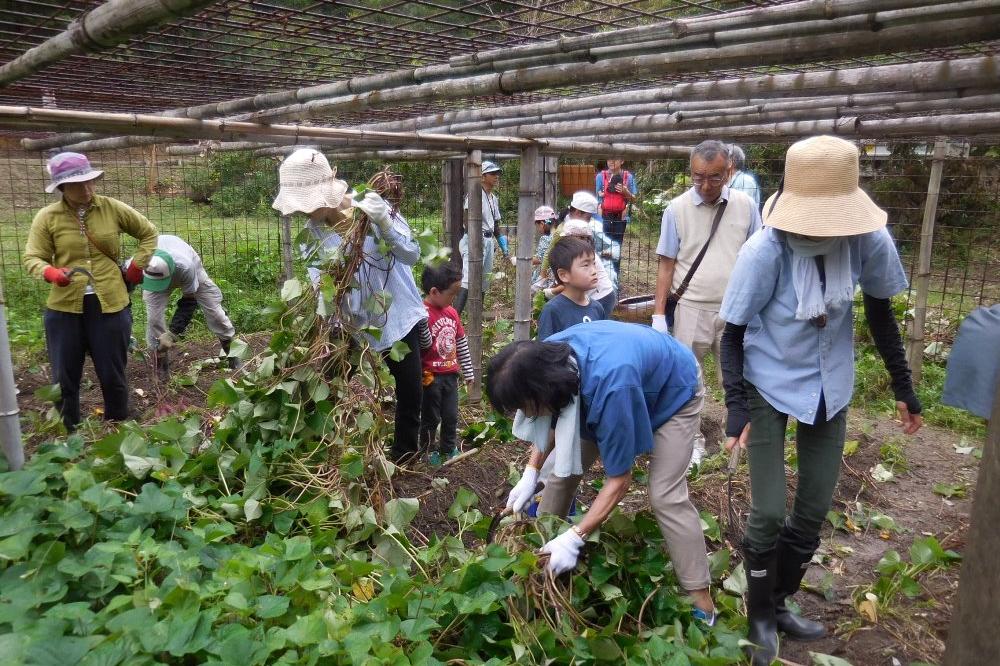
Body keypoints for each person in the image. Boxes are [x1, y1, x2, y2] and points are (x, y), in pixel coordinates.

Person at [718, 135, 923, 666]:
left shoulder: (869, 241)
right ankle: (759, 615)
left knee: (812, 508)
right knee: (766, 511)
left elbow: (880, 313)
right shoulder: (765, 251)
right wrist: (735, 406)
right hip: (767, 382)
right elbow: (733, 333)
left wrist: (904, 386)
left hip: (831, 385)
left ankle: (780, 602)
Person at [487, 321, 716, 624]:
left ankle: (701, 598)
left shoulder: (610, 387)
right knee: (561, 473)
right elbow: (549, 417)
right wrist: (532, 470)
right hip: (622, 379)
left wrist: (576, 536)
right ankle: (539, 555)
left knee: (665, 494)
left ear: (543, 392)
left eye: (526, 408)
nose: (527, 416)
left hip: (674, 391)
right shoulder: (548, 358)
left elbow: (620, 481)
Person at [271, 149, 427, 464]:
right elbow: (320, 284)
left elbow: (412, 254)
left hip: (395, 311)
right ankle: (319, 446)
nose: (302, 212)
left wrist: (384, 222)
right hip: (350, 319)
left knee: (410, 386)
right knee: (328, 381)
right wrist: (327, 322)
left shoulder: (372, 207)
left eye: (305, 203)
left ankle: (405, 456)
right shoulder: (310, 235)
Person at [23, 152, 158, 431]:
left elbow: (148, 233)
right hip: (64, 309)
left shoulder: (112, 208)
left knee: (112, 370)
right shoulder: (47, 217)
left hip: (110, 304)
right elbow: (32, 257)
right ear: (61, 187)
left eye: (89, 182)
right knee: (64, 374)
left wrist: (137, 265)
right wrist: (50, 272)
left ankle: (118, 422)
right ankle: (68, 429)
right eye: (77, 184)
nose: (86, 189)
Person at [652, 140, 762, 468]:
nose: (705, 185)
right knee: (686, 382)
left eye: (713, 177)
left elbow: (758, 257)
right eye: (697, 177)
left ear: (728, 171)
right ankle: (691, 449)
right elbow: (666, 264)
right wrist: (659, 314)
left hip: (735, 310)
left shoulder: (746, 206)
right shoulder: (676, 209)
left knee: (739, 381)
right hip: (690, 308)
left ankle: (738, 454)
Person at [130, 234, 238, 379]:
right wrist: (123, 331)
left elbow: (189, 301)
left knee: (215, 314)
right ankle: (161, 368)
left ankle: (232, 355)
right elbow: (122, 290)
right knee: (154, 321)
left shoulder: (186, 266)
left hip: (189, 271)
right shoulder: (137, 262)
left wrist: (173, 332)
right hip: (153, 277)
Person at [418, 262, 475, 466]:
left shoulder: (451, 313)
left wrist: (468, 372)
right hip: (429, 375)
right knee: (430, 416)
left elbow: (461, 343)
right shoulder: (421, 314)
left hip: (450, 374)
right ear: (434, 292)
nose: (454, 299)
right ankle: (427, 450)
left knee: (450, 415)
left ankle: (448, 448)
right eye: (452, 294)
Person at [544, 192, 618, 315]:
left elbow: (572, 281)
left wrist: (551, 292)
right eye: (588, 217)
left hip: (601, 296)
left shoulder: (583, 255)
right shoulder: (577, 249)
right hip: (595, 294)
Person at [455, 160, 508, 314]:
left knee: (485, 280)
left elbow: (496, 225)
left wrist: (503, 244)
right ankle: (454, 318)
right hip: (474, 240)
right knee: (468, 279)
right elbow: (467, 219)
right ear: (483, 176)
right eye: (492, 174)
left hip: (488, 240)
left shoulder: (493, 198)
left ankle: (476, 316)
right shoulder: (474, 194)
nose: (496, 177)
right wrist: (475, 241)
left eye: (497, 173)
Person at [536, 236, 605, 341]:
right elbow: (545, 351)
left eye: (594, 263)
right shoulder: (553, 310)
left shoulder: (597, 308)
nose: (594, 271)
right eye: (586, 265)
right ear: (563, 275)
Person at [595, 158, 637, 276]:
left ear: (622, 160)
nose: (611, 161)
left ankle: (615, 278)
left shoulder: (628, 177)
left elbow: (634, 198)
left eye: (615, 159)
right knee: (602, 246)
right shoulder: (600, 176)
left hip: (620, 218)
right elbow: (597, 198)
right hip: (604, 217)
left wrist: (625, 192)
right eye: (609, 158)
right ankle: (601, 276)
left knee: (616, 247)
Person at [727, 144, 762, 210]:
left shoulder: (746, 181)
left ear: (730, 162)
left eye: (723, 158)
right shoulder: (727, 181)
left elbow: (745, 210)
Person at [530, 204, 557, 287]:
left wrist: (520, 261)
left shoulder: (546, 238)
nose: (538, 229)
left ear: (542, 224)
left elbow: (539, 259)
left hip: (545, 277)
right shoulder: (558, 234)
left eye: (537, 226)